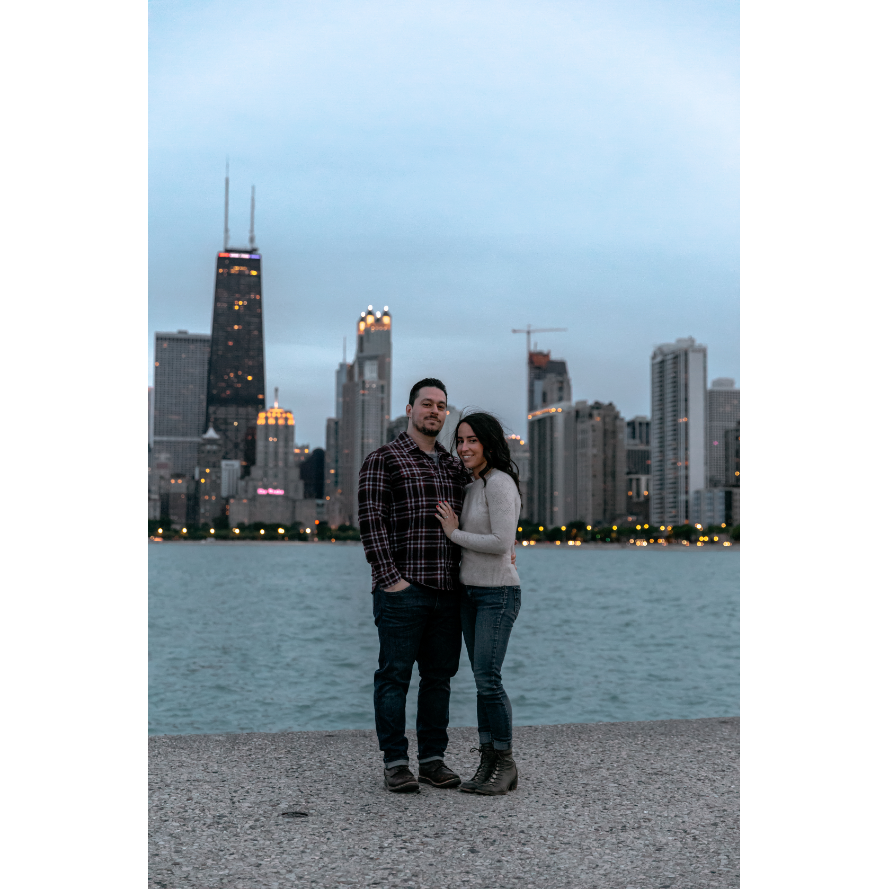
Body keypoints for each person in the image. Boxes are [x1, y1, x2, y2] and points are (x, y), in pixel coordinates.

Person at [358, 378, 471, 793]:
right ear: (409, 409)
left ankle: (432, 760)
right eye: (427, 404)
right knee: (394, 678)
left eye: (442, 406)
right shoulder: (383, 459)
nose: (435, 412)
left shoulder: (452, 465)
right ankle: (395, 762)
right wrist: (391, 581)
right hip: (403, 592)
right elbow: (372, 524)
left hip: (447, 591)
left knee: (439, 680)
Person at [435, 412, 522, 795]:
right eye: (460, 441)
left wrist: (454, 533)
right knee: (481, 682)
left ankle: (505, 762)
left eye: (472, 440)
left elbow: (502, 543)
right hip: (469, 593)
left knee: (489, 680)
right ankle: (487, 760)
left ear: (489, 443)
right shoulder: (472, 487)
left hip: (497, 593)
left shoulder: (500, 484)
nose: (465, 448)